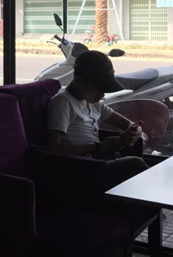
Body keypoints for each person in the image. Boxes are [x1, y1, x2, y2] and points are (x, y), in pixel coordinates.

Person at [47, 50, 148, 183]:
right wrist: (100, 146)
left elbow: (128, 124)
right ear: (78, 81)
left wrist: (135, 131)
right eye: (96, 90)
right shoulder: (64, 102)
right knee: (135, 165)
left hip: (98, 160)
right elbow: (54, 147)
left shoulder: (93, 102)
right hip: (80, 166)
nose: (102, 95)